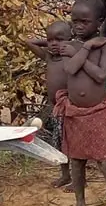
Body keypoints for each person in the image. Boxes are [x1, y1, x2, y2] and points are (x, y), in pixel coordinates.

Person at [54, 0, 106, 206]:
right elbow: (70, 68)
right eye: (75, 21)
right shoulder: (71, 45)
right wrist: (85, 48)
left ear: (99, 22)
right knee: (76, 161)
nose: (79, 26)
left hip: (98, 111)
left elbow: (101, 74)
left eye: (85, 22)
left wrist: (82, 52)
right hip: (75, 112)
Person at [24, 20, 72, 189]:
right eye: (50, 40)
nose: (53, 44)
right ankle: (65, 175)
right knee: (59, 143)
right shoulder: (48, 57)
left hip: (71, 108)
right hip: (56, 109)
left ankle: (80, 178)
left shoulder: (73, 56)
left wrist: (65, 45)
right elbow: (28, 42)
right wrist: (51, 43)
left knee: (73, 144)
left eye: (59, 39)